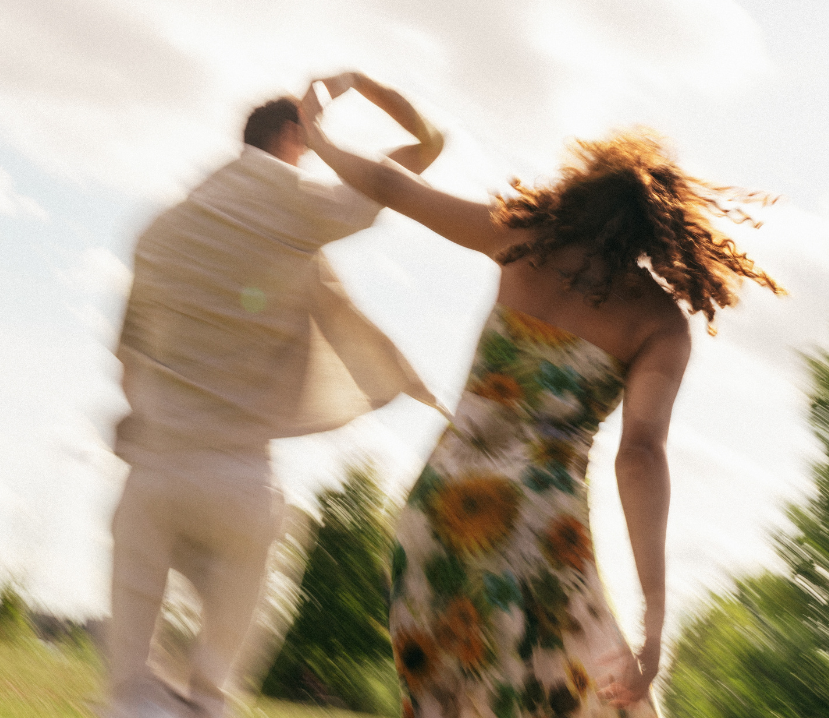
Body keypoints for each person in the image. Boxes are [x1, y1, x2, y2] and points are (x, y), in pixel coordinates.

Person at [300, 75, 782, 717]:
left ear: (583, 190)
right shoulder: (658, 324)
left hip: (439, 511)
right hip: (536, 534)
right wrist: (654, 618)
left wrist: (315, 134)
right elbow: (640, 454)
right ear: (660, 230)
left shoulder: (521, 240)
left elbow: (392, 186)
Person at [107, 76, 446, 718]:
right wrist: (348, 89)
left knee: (128, 686)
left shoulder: (161, 229)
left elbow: (127, 356)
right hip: (238, 477)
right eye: (309, 146)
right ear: (294, 137)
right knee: (212, 694)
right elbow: (428, 145)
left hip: (152, 474)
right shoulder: (296, 206)